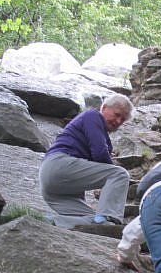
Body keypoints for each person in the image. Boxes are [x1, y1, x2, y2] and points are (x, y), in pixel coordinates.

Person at [39, 95, 133, 229]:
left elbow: (85, 171)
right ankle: (110, 218)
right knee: (119, 175)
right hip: (59, 165)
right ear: (104, 107)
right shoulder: (92, 116)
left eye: (123, 119)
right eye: (117, 114)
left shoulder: (102, 134)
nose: (118, 121)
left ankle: (48, 221)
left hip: (53, 186)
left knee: (96, 222)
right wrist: (113, 176)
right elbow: (99, 153)